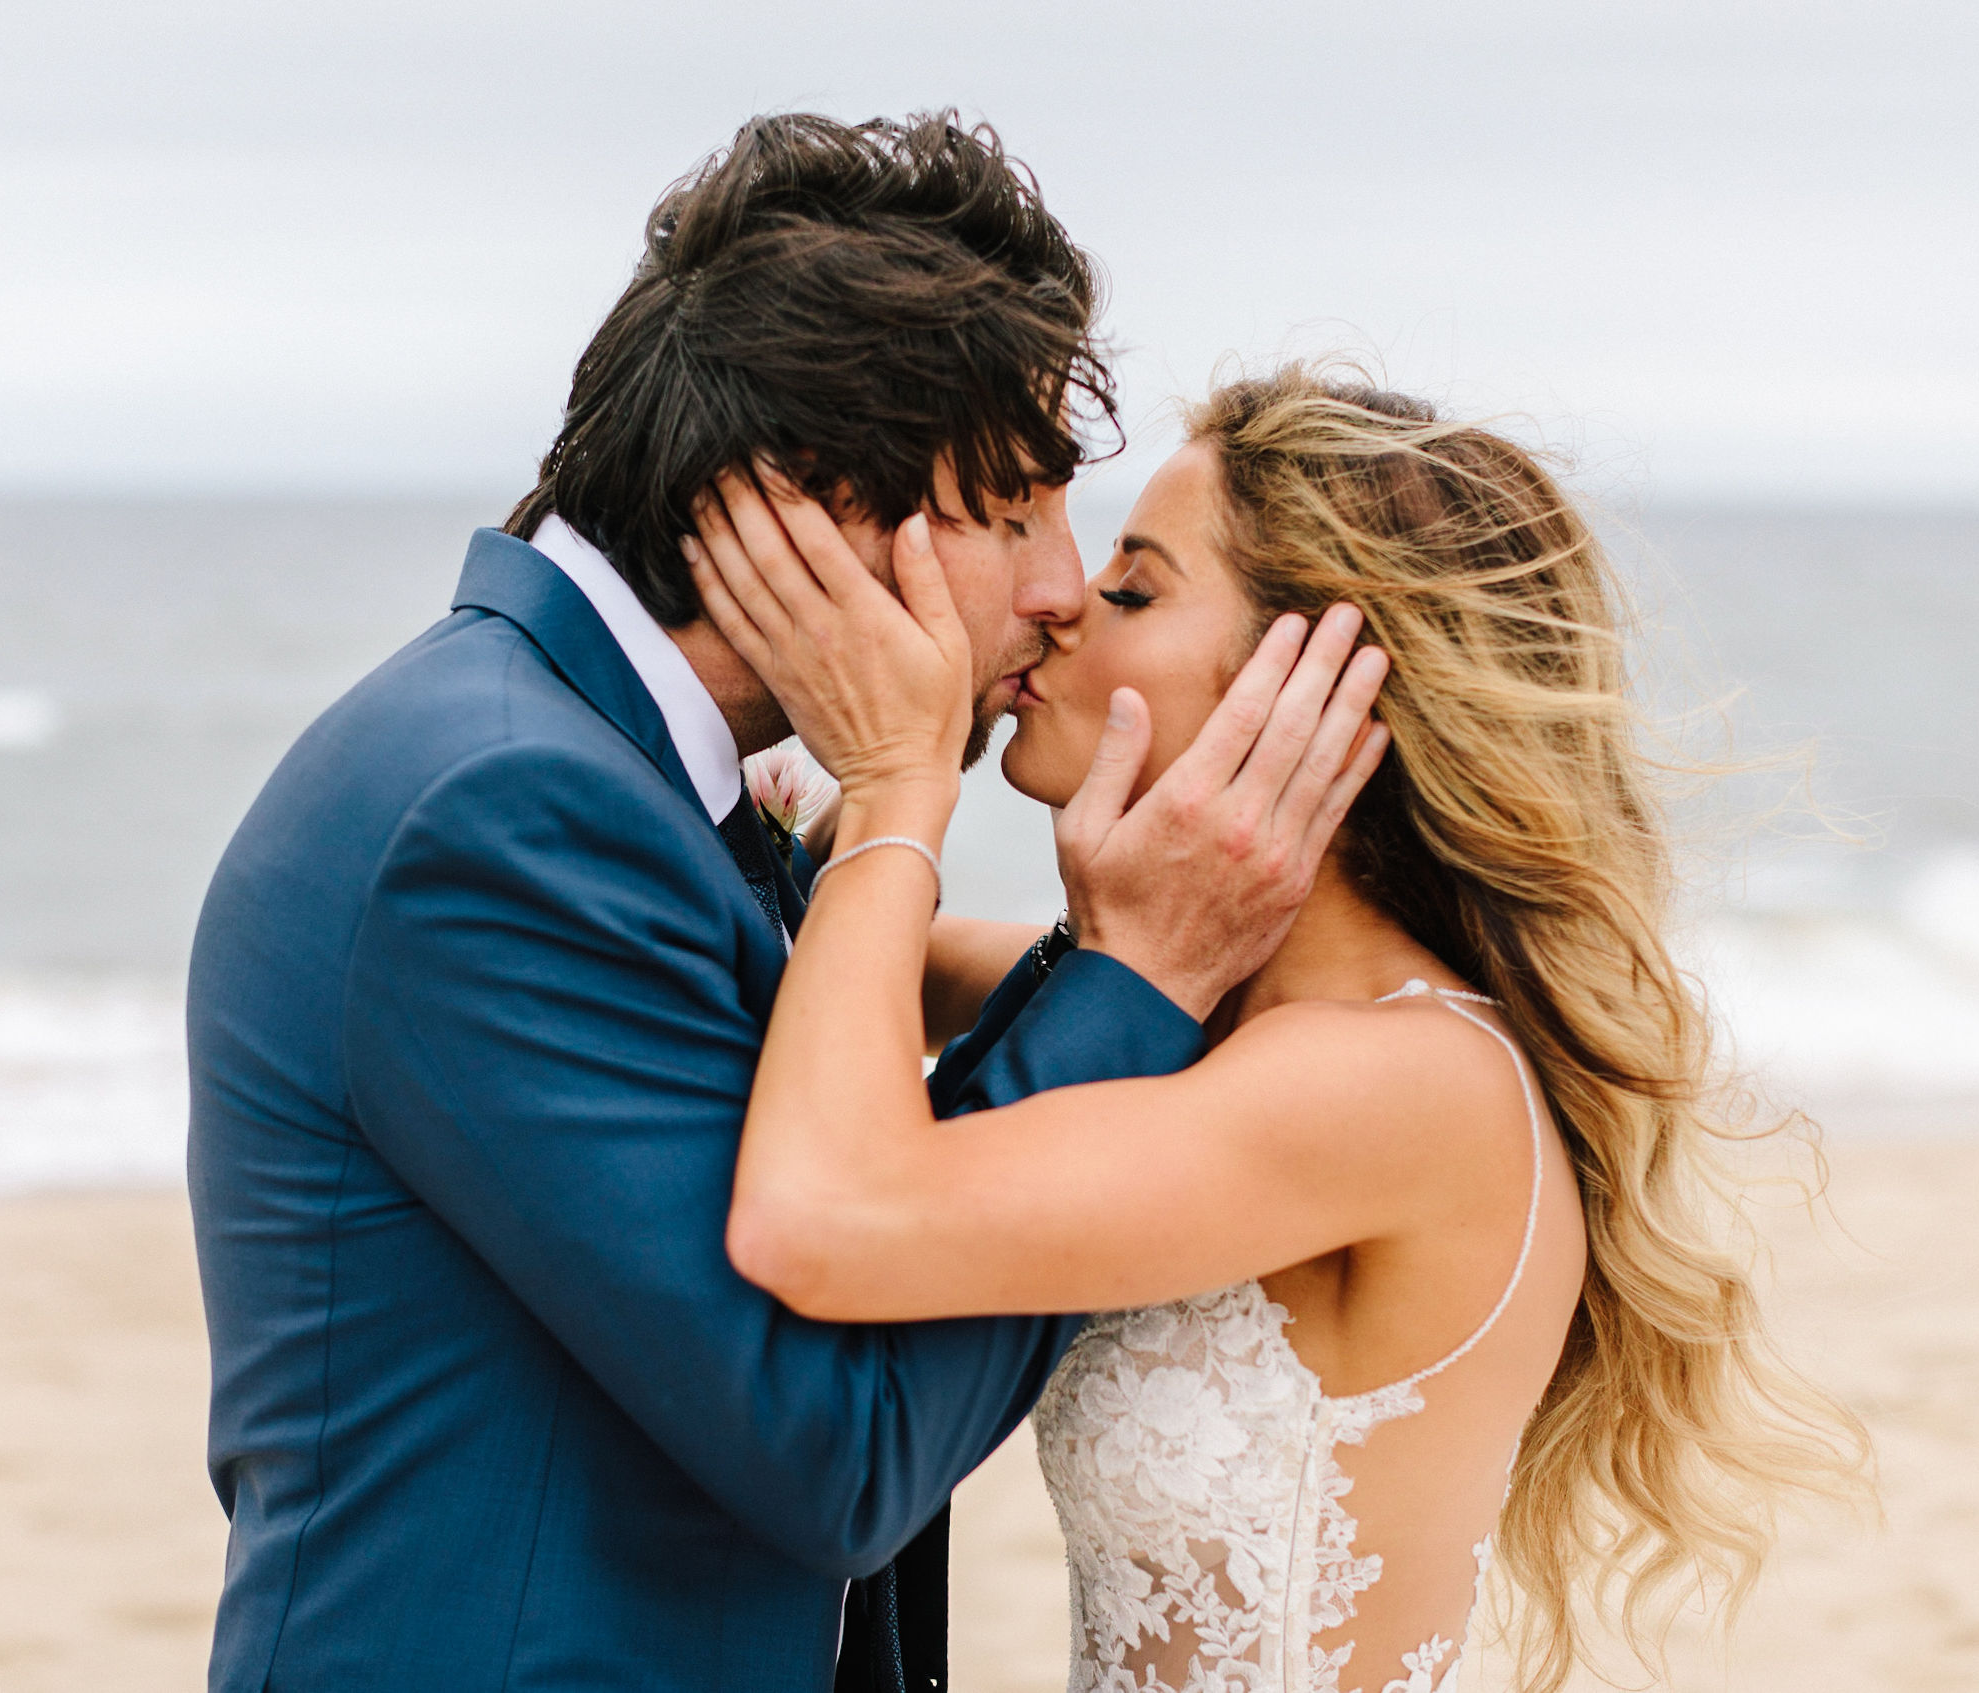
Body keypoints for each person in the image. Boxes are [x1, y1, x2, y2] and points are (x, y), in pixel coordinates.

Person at [185, 114, 1364, 1693]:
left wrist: (1161, 962)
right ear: (799, 503)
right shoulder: (503, 812)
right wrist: (1122, 968)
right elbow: (841, 1446)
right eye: (1014, 506)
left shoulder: (598, 770)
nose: (1061, 587)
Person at [691, 367, 1866, 1693]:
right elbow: (893, 981)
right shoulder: (1234, 1028)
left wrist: (903, 785)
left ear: (1322, 691)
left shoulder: (1401, 1082)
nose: (1066, 606)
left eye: (1132, 588)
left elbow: (830, 1214)